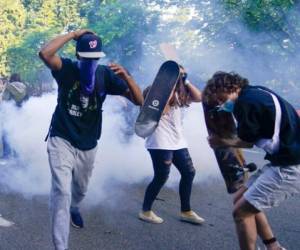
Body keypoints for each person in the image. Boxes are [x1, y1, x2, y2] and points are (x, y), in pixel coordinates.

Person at [39, 29, 143, 250]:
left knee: (80, 190)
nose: (91, 63)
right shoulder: (66, 68)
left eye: (95, 58)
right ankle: (61, 246)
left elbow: (139, 101)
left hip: (88, 143)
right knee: (62, 192)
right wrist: (73, 34)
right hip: (61, 138)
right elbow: (45, 54)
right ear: (78, 56)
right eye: (86, 58)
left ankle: (75, 207)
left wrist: (127, 77)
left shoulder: (106, 75)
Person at [204, 72, 300, 250]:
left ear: (229, 88)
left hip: (290, 167)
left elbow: (247, 142)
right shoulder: (257, 91)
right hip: (283, 161)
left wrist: (221, 141)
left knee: (241, 213)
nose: (220, 103)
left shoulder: (245, 103)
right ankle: (274, 247)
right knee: (240, 198)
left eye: (220, 98)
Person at [139, 66, 205, 224]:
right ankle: (145, 211)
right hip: (160, 142)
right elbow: (162, 110)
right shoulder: (153, 90)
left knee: (189, 173)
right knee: (161, 176)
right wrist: (168, 84)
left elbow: (198, 97)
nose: (179, 77)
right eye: (177, 74)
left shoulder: (180, 91)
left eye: (182, 75)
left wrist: (186, 80)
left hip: (178, 141)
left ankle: (186, 211)